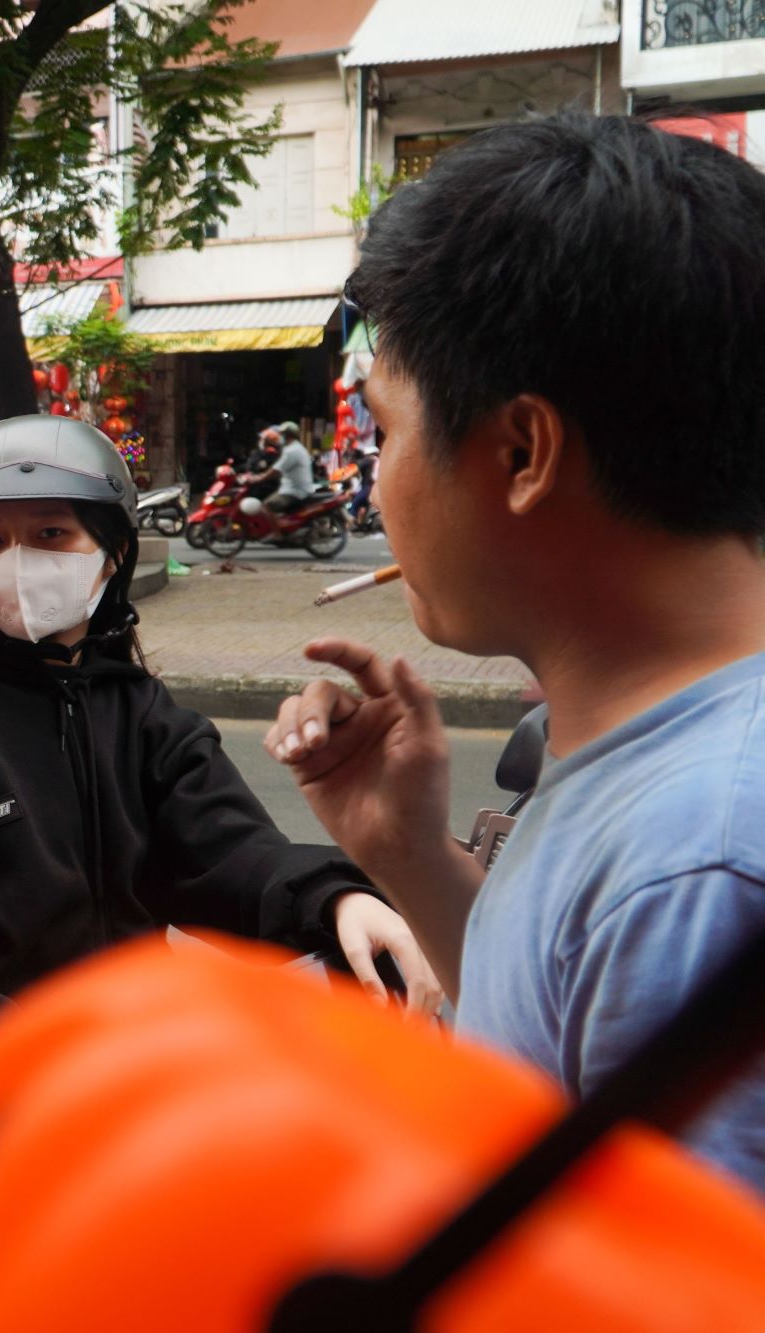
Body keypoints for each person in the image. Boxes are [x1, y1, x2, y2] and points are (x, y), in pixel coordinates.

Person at [263, 114, 765, 1193]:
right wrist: (403, 852)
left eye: (383, 429)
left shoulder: (697, 862)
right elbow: (541, 1066)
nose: (377, 479)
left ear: (521, 451)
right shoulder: (650, 766)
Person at [0, 416, 440, 1151]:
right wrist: (12, 1082)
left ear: (110, 558)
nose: (18, 561)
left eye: (51, 535)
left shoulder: (133, 704)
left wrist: (337, 899)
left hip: (122, 1072)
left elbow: (231, 850)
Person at [264, 422, 316, 514]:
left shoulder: (292, 451)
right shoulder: (296, 448)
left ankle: (274, 528)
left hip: (293, 491)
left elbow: (276, 470)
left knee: (267, 506)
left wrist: (257, 478)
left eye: (282, 434)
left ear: (287, 435)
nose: (280, 437)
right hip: (295, 488)